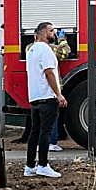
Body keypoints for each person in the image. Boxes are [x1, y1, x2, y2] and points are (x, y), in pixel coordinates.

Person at [24, 22, 66, 178]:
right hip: (47, 96)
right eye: (51, 30)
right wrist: (58, 94)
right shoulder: (46, 50)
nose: (53, 33)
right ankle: (43, 165)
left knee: (34, 132)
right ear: (43, 33)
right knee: (46, 132)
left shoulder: (31, 50)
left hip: (35, 97)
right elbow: (49, 73)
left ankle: (30, 166)